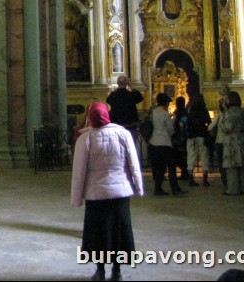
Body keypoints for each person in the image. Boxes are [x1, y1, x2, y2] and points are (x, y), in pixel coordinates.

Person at [71, 102, 143, 282]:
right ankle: (117, 271)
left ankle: (100, 271)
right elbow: (134, 164)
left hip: (96, 195)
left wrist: (76, 199)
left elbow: (78, 173)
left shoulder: (85, 139)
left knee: (98, 233)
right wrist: (138, 187)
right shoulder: (123, 134)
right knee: (119, 232)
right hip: (120, 192)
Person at [148, 93, 185, 196]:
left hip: (154, 142)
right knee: (171, 166)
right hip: (165, 143)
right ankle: (175, 188)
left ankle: (158, 188)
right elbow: (170, 129)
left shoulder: (153, 112)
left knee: (159, 167)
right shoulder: (164, 113)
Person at [220, 91, 244, 196]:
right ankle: (242, 187)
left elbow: (227, 127)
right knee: (240, 165)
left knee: (231, 166)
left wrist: (221, 125)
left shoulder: (230, 113)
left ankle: (232, 189)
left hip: (231, 140)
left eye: (226, 99)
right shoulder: (240, 111)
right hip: (240, 139)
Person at [106, 76, 143, 145]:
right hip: (130, 125)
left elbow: (108, 100)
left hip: (117, 125)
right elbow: (140, 97)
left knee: (117, 145)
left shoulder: (114, 95)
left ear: (117, 83)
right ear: (127, 83)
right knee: (131, 145)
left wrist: (117, 88)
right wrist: (131, 86)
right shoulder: (131, 95)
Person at [186, 93, 211, 186]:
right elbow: (209, 122)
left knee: (191, 156)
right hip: (201, 135)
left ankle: (190, 177)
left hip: (191, 136)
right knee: (204, 156)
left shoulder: (189, 110)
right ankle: (205, 178)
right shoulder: (203, 110)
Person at [172, 96, 190, 181]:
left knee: (177, 155)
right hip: (184, 136)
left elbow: (175, 124)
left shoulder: (178, 113)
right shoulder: (186, 112)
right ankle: (185, 171)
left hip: (178, 137)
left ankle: (184, 171)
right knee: (184, 155)